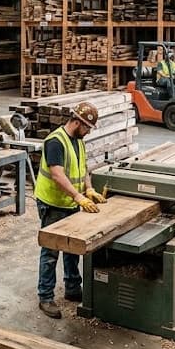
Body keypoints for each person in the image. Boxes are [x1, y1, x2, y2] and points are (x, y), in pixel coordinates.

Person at [34, 101, 106, 319]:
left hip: (71, 203)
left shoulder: (78, 140)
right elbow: (57, 175)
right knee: (51, 250)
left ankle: (73, 288)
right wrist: (78, 197)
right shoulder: (56, 141)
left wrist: (90, 189)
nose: (88, 132)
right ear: (77, 122)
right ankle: (45, 296)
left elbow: (82, 167)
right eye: (87, 128)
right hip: (53, 203)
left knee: (73, 248)